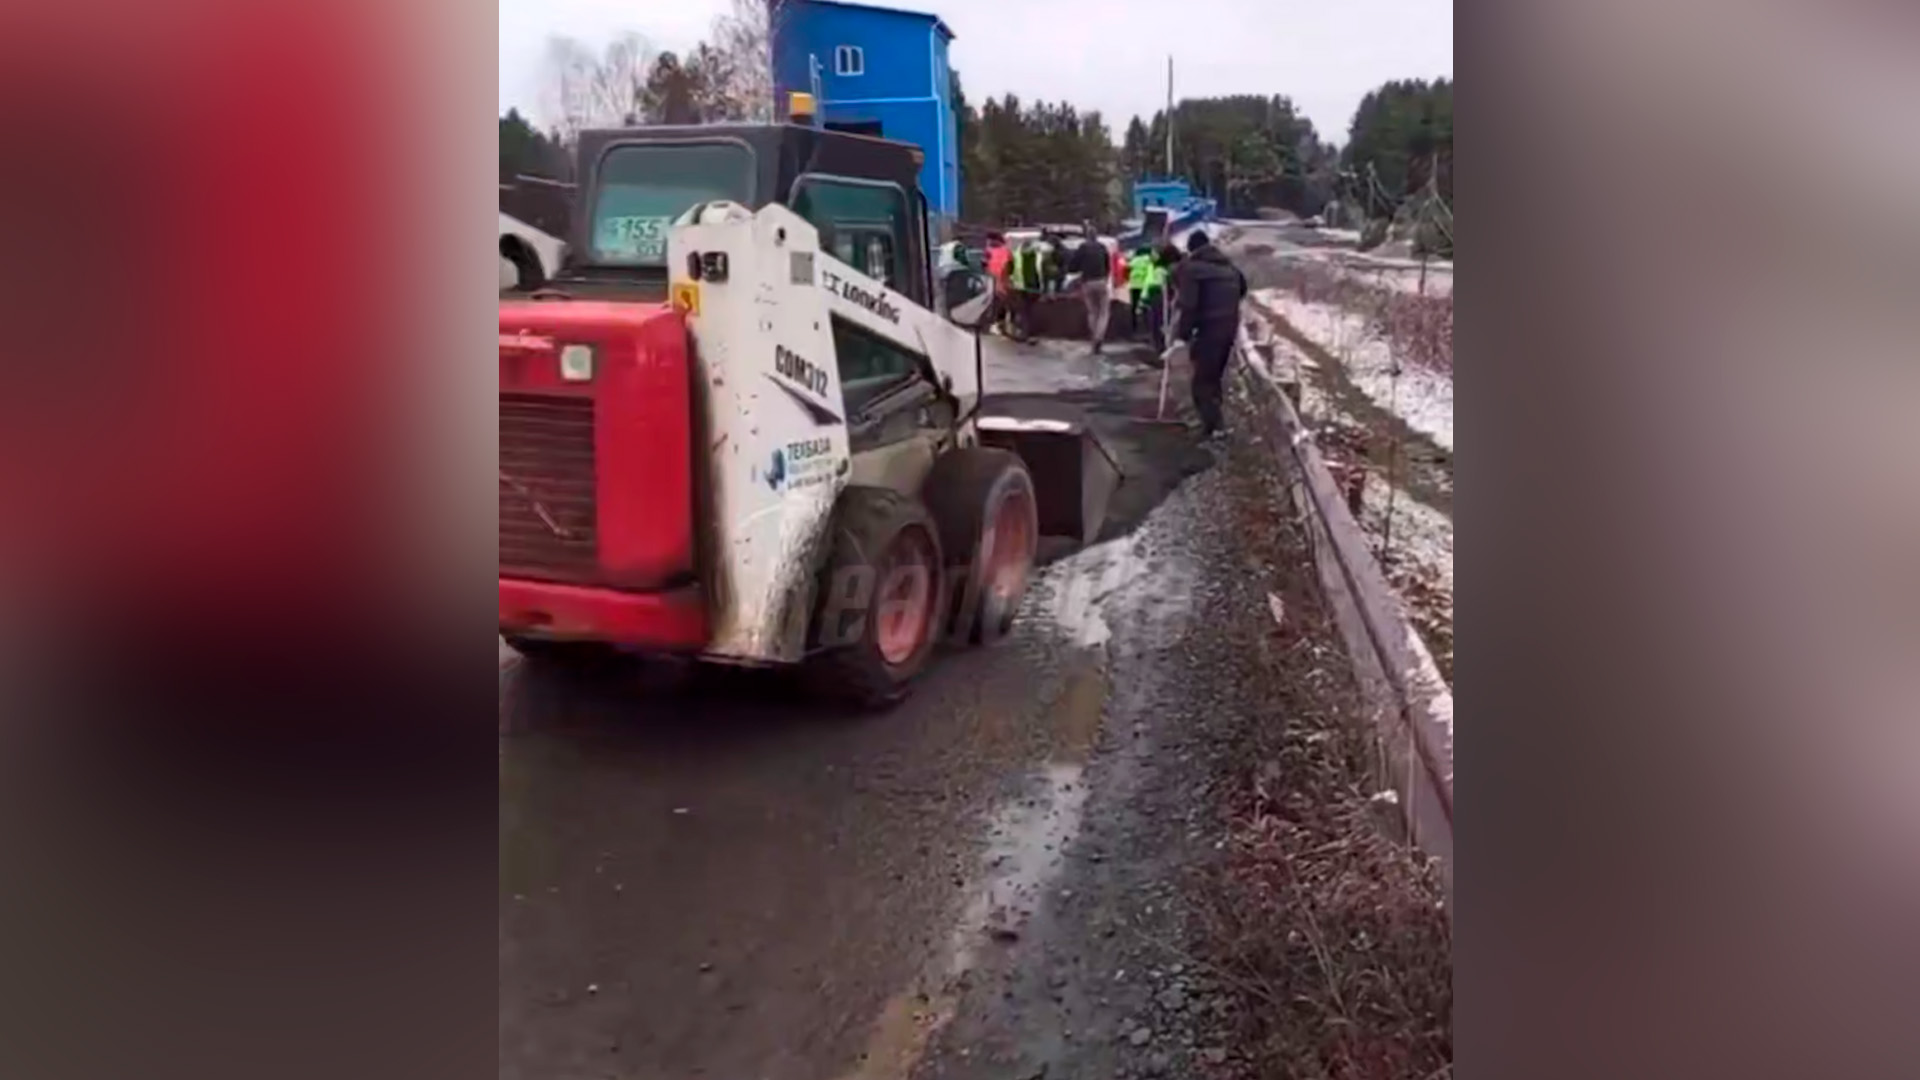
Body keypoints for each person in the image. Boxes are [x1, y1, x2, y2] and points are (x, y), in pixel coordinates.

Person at [1167, 229, 1247, 440]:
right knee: (1213, 379)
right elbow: (1242, 289)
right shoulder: (1230, 268)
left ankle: (1214, 429)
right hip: (1229, 329)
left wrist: (1181, 337)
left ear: (1192, 249)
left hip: (1209, 330)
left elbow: (1189, 305)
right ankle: (1216, 425)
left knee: (1201, 383)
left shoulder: (1192, 270)